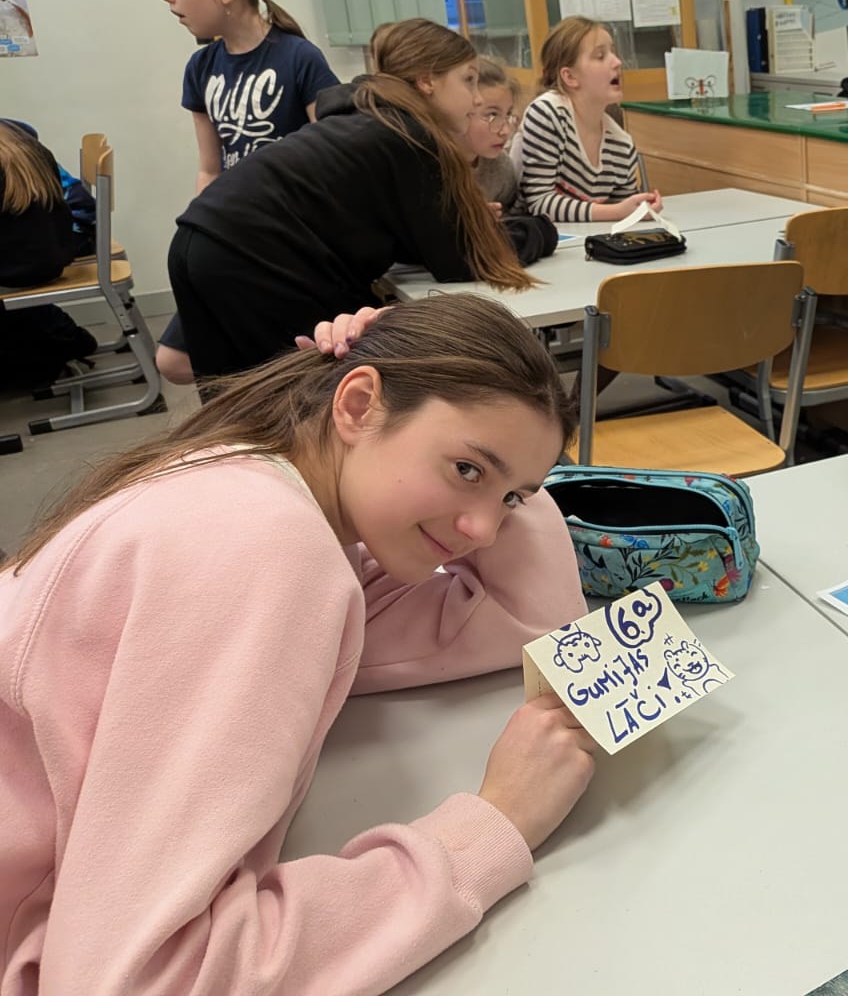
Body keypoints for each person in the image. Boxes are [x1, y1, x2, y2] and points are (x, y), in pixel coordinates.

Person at [0, 295, 597, 992]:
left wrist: (508, 471)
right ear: (356, 406)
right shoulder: (263, 546)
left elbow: (534, 623)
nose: (485, 531)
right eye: (467, 470)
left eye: (512, 499)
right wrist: (494, 825)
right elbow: (140, 978)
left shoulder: (268, 491)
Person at [167, 18, 534, 384]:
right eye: (468, 80)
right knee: (311, 382)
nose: (476, 97)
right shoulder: (410, 136)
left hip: (197, 236)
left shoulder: (368, 119)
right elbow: (459, 260)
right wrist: (536, 231)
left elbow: (412, 238)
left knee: (236, 392)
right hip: (253, 251)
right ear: (427, 81)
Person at [157, 0, 341, 387]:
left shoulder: (299, 58)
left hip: (285, 243)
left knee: (266, 351)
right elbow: (209, 167)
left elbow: (335, 162)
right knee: (173, 361)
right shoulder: (201, 67)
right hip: (231, 237)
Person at [511, 16, 661, 222]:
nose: (617, 62)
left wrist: (641, 209)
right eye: (600, 56)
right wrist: (618, 212)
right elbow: (539, 202)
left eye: (613, 52)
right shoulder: (547, 113)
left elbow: (624, 207)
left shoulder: (622, 144)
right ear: (570, 77)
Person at [0, 120, 96, 388]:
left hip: (22, 265)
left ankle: (57, 340)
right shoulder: (17, 135)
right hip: (53, 253)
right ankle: (61, 335)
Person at [470, 55, 520, 214]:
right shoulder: (429, 165)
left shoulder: (501, 168)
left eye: (508, 114)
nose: (505, 130)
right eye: (492, 115)